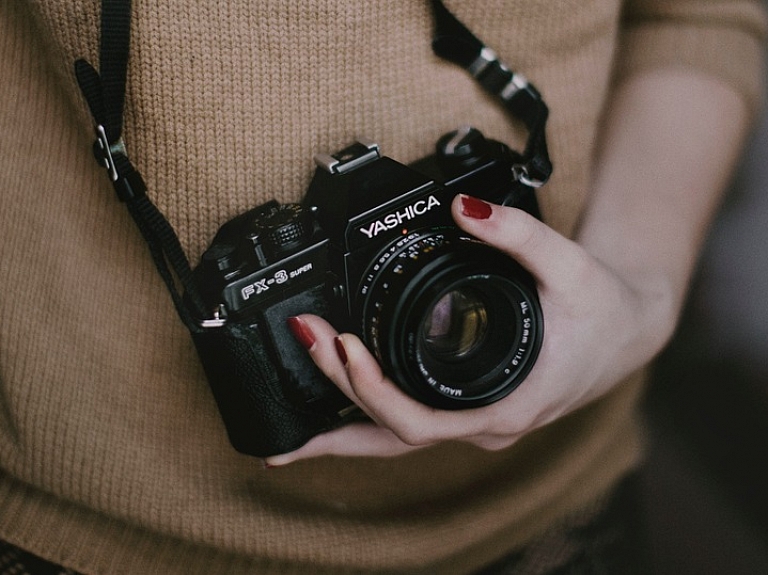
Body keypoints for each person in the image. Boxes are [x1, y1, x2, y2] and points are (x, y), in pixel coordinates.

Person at [0, 1, 764, 573]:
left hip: (557, 505)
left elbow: (699, 12)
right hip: (105, 536)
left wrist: (640, 292)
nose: (447, 320)